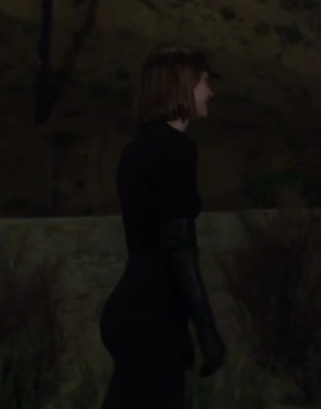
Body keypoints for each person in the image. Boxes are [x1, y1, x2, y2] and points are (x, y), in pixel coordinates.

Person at [99, 44, 226, 409]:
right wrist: (206, 329)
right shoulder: (175, 149)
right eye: (203, 82)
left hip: (132, 310)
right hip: (153, 318)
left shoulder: (137, 149)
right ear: (182, 86)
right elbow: (178, 245)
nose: (210, 92)